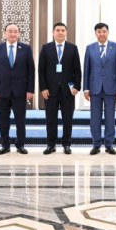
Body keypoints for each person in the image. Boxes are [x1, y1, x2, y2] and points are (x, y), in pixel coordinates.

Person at [0, 23, 35, 155]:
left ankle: (20, 145)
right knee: (3, 120)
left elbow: (31, 70)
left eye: (15, 31)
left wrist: (30, 89)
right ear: (5, 33)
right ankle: (5, 145)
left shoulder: (26, 48)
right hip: (2, 90)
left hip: (20, 91)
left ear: (19, 34)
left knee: (20, 120)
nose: (13, 34)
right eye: (10, 31)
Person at [39, 22, 82, 155]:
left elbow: (77, 69)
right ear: (53, 33)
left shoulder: (72, 48)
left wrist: (77, 86)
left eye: (63, 30)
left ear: (66, 32)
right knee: (50, 119)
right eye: (57, 30)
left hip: (67, 91)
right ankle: (51, 145)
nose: (60, 32)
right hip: (50, 90)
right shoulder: (46, 48)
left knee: (67, 119)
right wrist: (43, 88)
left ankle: (67, 144)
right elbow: (41, 70)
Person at [84, 22, 116, 155]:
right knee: (94, 118)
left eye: (104, 31)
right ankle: (96, 144)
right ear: (95, 33)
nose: (102, 34)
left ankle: (109, 144)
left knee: (110, 118)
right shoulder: (90, 48)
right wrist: (85, 88)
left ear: (108, 32)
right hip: (94, 88)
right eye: (99, 32)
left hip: (111, 88)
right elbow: (87, 69)